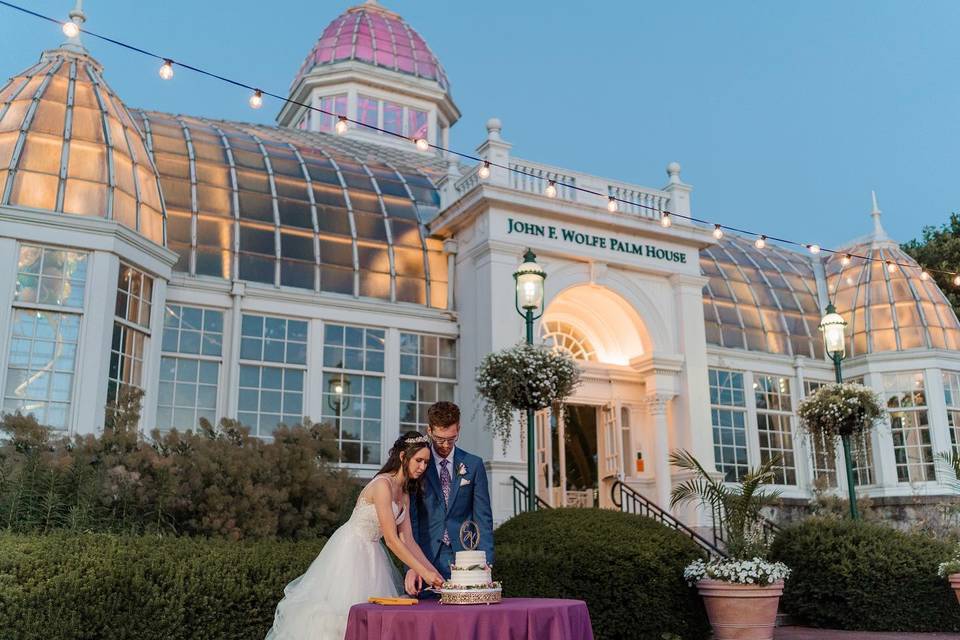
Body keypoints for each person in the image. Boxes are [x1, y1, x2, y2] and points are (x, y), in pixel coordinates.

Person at [265, 432, 444, 640]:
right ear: (403, 456)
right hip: (351, 551)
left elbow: (408, 540)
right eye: (419, 460)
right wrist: (423, 572)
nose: (422, 467)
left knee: (373, 623)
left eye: (426, 462)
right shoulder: (382, 485)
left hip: (373, 554)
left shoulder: (404, 493)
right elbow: (392, 541)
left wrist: (435, 575)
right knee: (342, 619)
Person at [404, 402, 495, 597]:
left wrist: (485, 563)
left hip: (466, 562)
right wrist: (411, 565)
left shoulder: (474, 465)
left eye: (451, 439)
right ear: (429, 430)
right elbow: (410, 521)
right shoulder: (418, 464)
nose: (445, 445)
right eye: (439, 439)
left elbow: (483, 519)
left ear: (458, 430)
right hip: (425, 560)